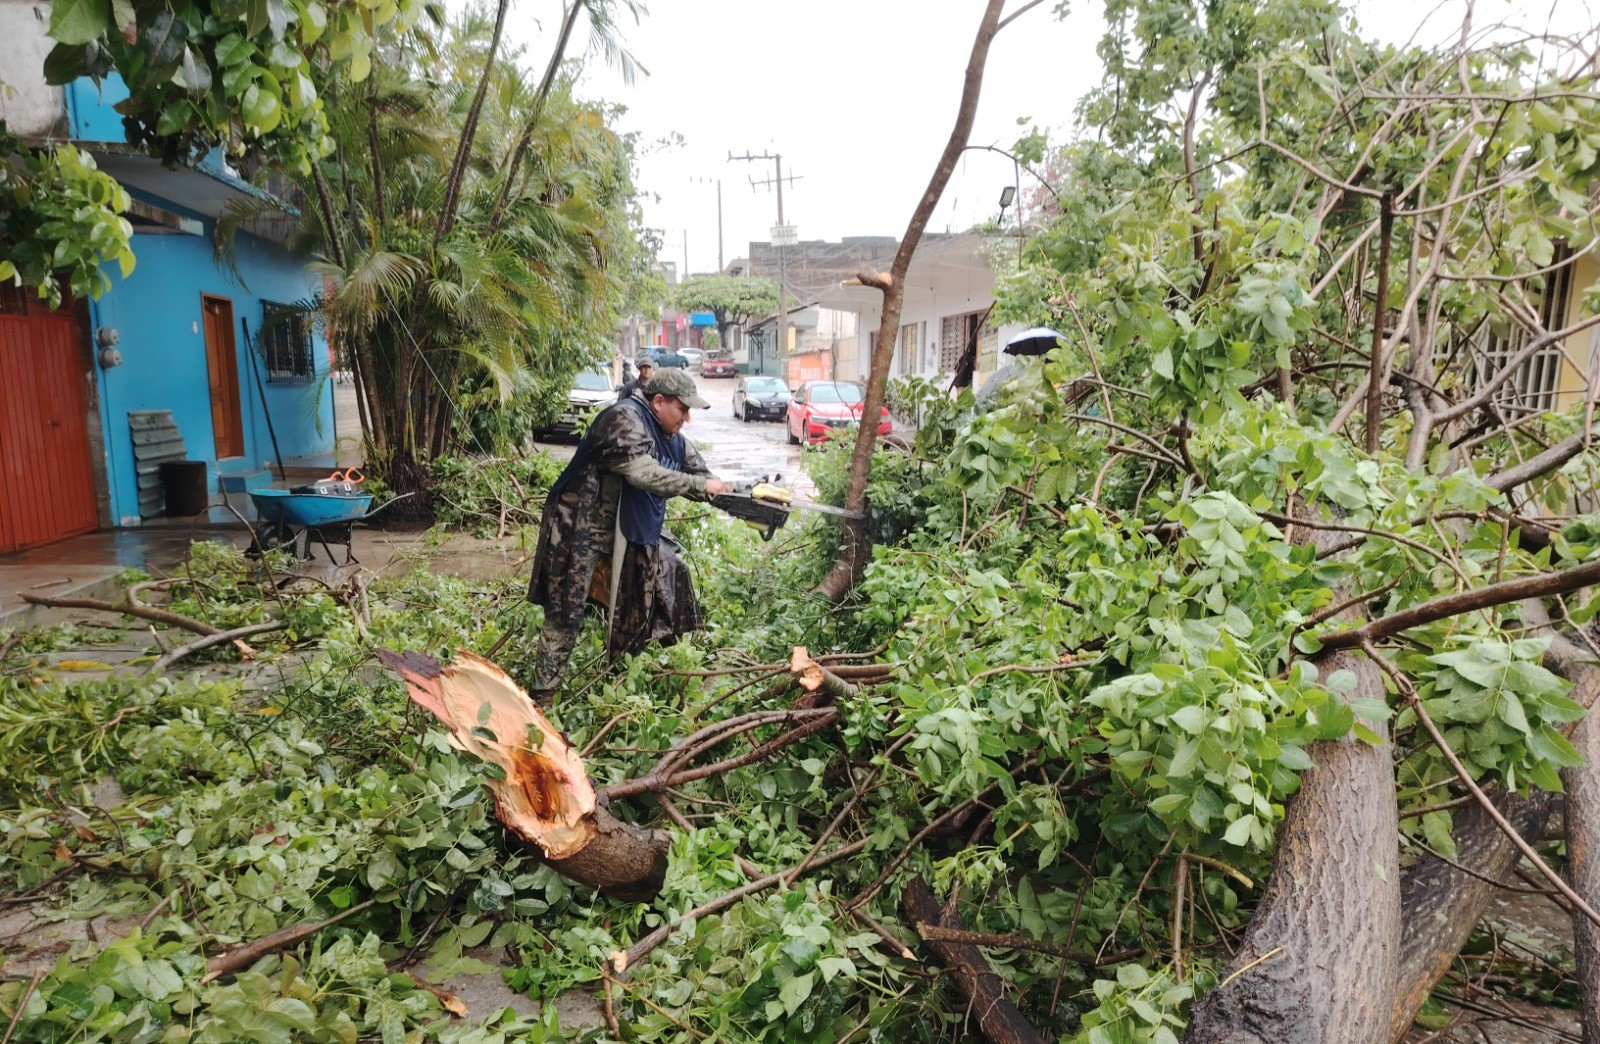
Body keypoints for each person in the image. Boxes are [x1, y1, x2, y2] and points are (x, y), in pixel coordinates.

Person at [526, 368, 731, 701]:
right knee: (566, 611)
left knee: (662, 584)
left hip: (627, 531)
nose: (688, 417)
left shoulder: (674, 439)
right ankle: (542, 696)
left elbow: (703, 479)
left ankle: (628, 681)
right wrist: (700, 484)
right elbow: (643, 474)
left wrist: (744, 498)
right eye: (683, 408)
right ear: (659, 402)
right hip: (579, 526)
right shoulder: (624, 419)